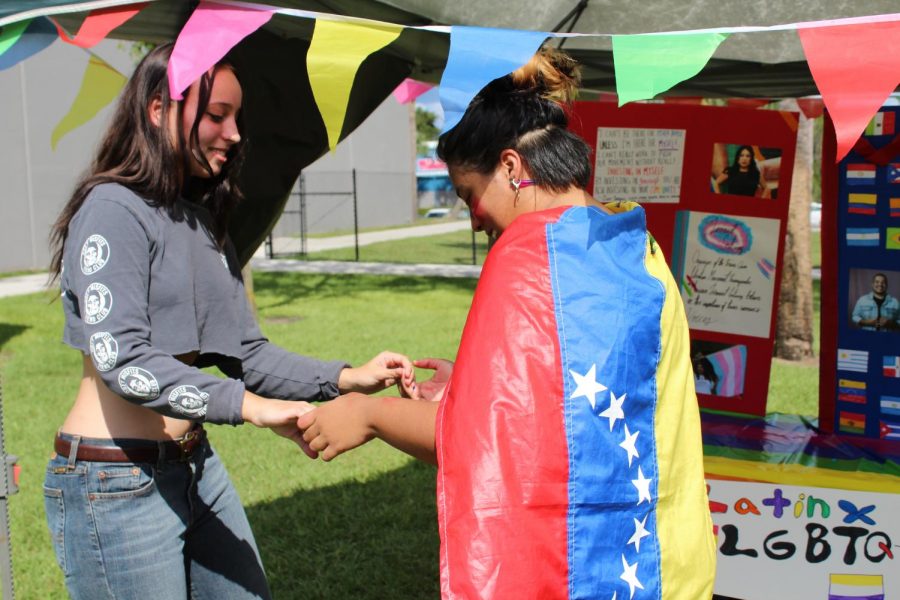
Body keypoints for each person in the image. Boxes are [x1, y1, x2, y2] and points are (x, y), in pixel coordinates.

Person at [299, 48, 716, 599]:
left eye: (470, 195)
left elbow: (480, 444)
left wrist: (369, 413)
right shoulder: (637, 245)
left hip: (576, 575)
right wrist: (474, 384)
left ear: (513, 168)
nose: (475, 218)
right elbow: (579, 398)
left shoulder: (527, 257)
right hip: (662, 558)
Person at [44, 43, 412, 599]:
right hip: (113, 482)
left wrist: (347, 376)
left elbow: (248, 351)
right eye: (217, 115)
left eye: (237, 118)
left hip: (194, 466)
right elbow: (123, 359)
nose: (234, 133)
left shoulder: (200, 220)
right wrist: (251, 408)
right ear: (158, 109)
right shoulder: (111, 209)